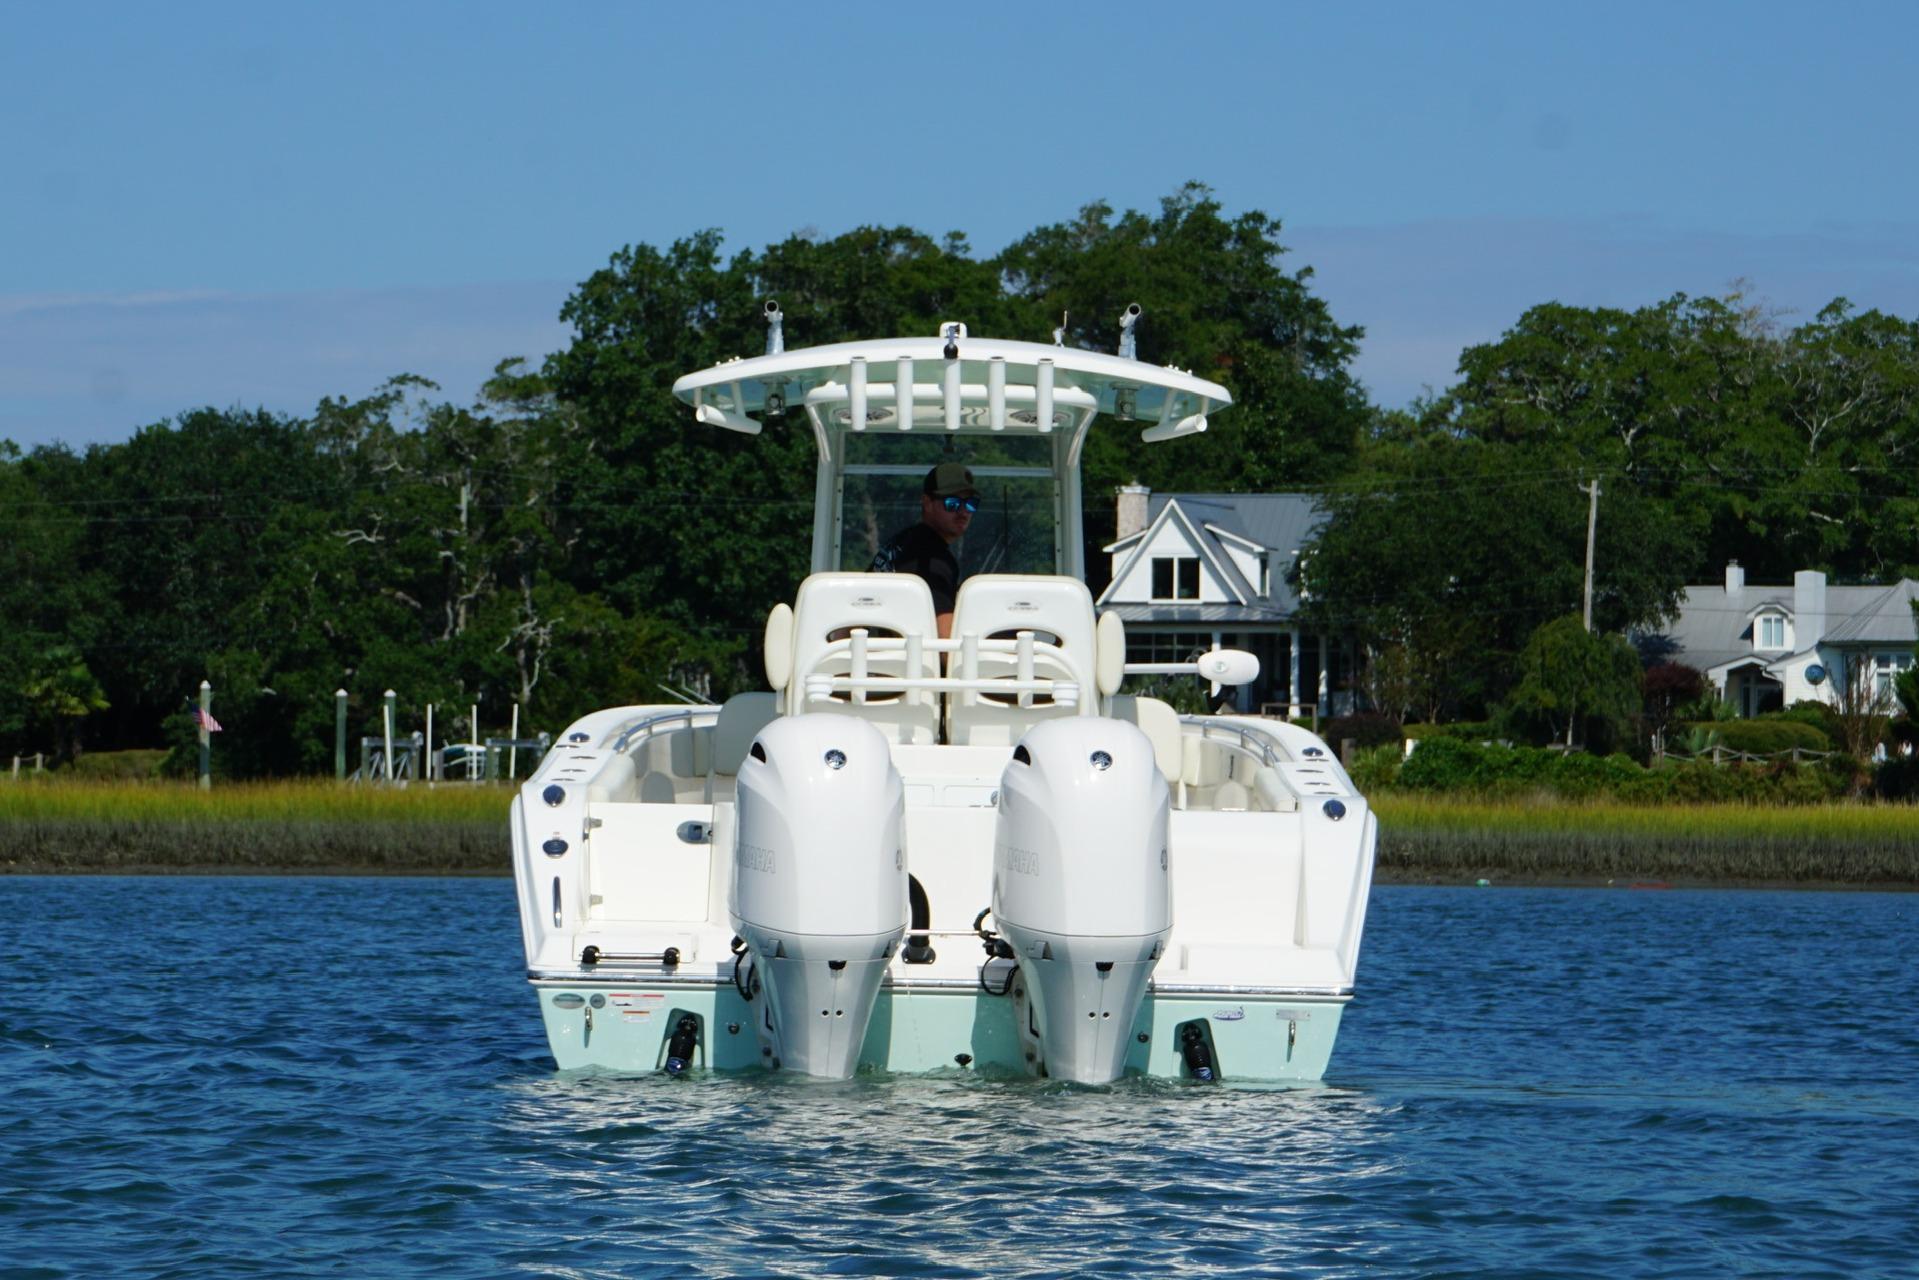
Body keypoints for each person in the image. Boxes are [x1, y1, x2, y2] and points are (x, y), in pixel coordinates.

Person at [871, 462, 978, 638]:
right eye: (952, 503)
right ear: (927, 503)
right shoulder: (931, 560)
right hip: (905, 654)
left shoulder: (902, 542)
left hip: (878, 650)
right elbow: (945, 641)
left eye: (970, 504)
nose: (963, 512)